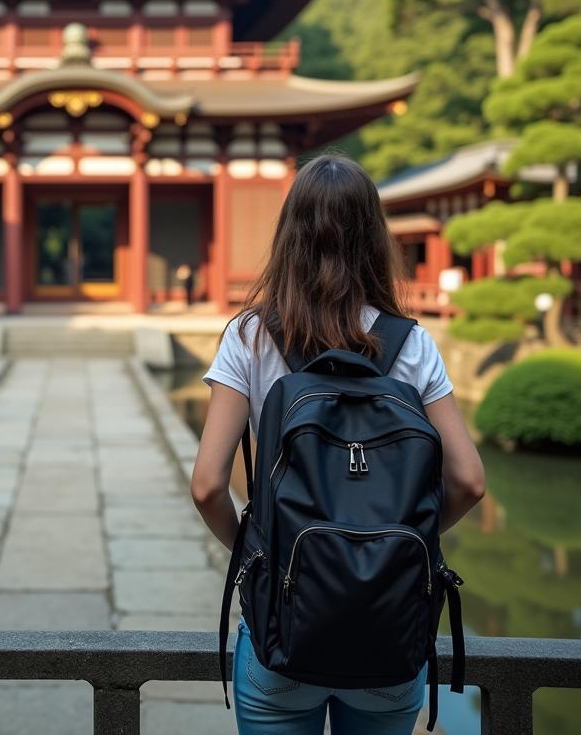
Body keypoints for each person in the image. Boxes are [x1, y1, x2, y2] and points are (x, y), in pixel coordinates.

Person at [190, 152, 486, 735]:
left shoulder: (250, 336)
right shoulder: (411, 343)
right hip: (389, 626)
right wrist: (398, 547)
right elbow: (470, 481)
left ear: (289, 235)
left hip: (282, 628)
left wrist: (260, 556)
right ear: (374, 237)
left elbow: (207, 487)